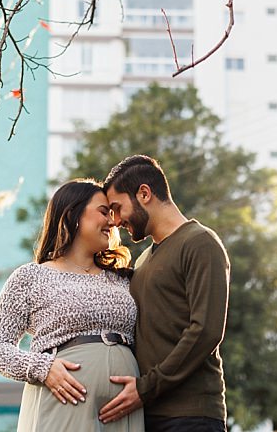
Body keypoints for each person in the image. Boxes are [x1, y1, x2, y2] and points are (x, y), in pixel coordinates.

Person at [0, 179, 145, 432]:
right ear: (73, 214)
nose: (113, 222)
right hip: (64, 401)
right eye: (104, 212)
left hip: (124, 407)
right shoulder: (30, 277)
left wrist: (146, 388)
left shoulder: (124, 278)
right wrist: (42, 368)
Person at [98, 155, 231, 432]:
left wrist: (146, 388)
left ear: (144, 193)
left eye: (117, 208)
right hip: (146, 413)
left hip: (191, 416)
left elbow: (205, 331)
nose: (117, 220)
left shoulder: (200, 243)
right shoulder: (144, 258)